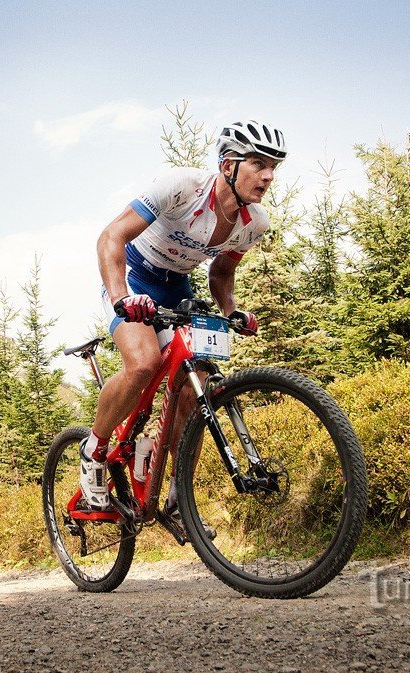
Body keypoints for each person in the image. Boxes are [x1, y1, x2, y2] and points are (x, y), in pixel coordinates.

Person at [80, 119, 287, 529]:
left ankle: (176, 494)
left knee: (195, 388)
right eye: (258, 164)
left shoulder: (255, 223)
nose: (267, 176)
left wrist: (231, 311)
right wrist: (122, 297)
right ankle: (93, 450)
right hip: (134, 276)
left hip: (177, 286)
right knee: (142, 364)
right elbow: (111, 237)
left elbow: (222, 274)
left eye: (273, 168)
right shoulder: (180, 186)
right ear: (228, 164)